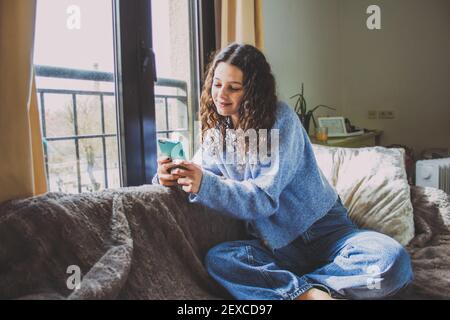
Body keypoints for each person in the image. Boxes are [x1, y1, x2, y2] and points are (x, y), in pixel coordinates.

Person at [152, 43, 413, 300]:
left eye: (233, 88)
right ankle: (311, 293)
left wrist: (203, 183)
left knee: (391, 260)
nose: (221, 94)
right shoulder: (217, 134)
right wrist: (169, 176)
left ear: (253, 91)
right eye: (217, 84)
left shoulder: (281, 119)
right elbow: (198, 176)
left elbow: (262, 200)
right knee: (221, 259)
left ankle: (299, 292)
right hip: (276, 250)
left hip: (329, 234)